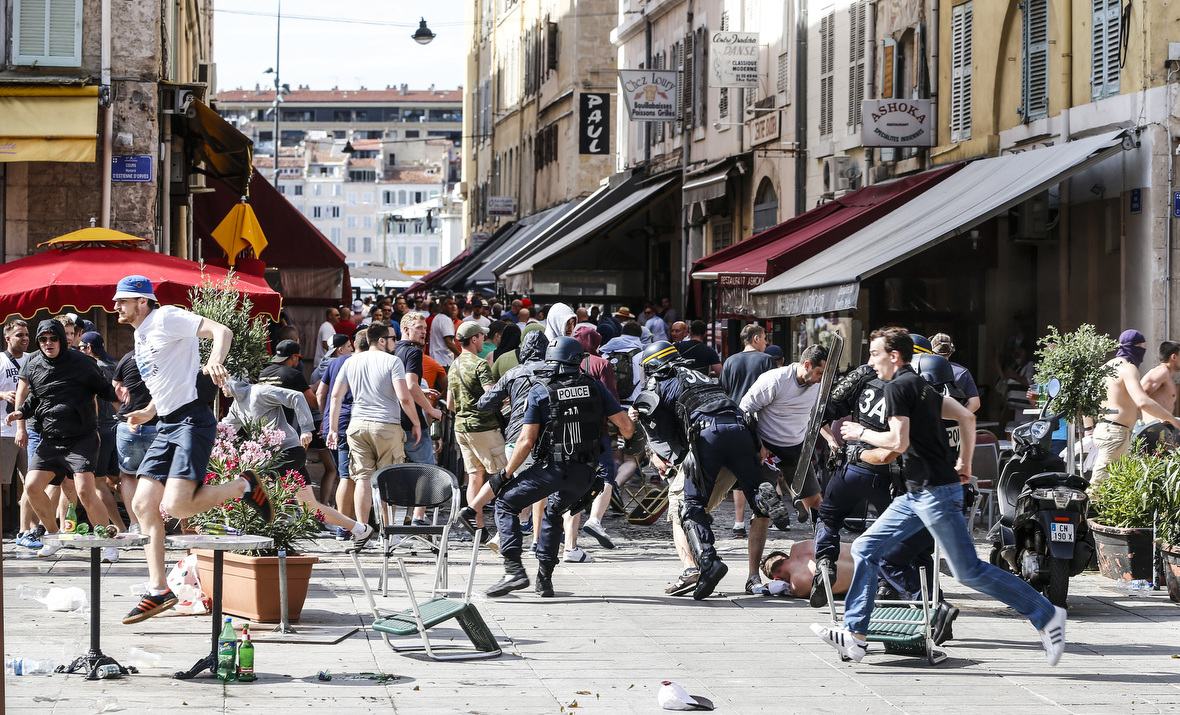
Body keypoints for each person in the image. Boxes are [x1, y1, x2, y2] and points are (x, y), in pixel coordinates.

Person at [812, 327, 1067, 666]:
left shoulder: (899, 388)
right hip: (917, 494)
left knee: (969, 571)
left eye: (874, 354)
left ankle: (1047, 614)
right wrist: (964, 460)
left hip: (934, 494)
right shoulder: (918, 385)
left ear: (894, 356)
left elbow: (898, 443)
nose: (870, 361)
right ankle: (856, 636)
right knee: (864, 547)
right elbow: (965, 415)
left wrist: (861, 433)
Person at [102, 276, 269, 623]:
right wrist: (147, 412)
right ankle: (158, 589)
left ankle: (244, 485)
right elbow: (166, 382)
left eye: (123, 300)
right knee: (141, 502)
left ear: (143, 301)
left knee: (176, 504)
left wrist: (215, 361)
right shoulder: (141, 333)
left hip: (192, 421)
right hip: (165, 423)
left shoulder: (167, 318)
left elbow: (222, 330)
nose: (116, 305)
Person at [633, 341, 788, 599]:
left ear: (652, 366)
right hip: (741, 429)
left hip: (708, 435)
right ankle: (762, 495)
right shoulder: (701, 375)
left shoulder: (658, 382)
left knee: (689, 505)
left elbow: (659, 431)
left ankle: (708, 560)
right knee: (751, 487)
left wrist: (672, 454)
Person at [485, 337, 633, 598]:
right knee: (554, 512)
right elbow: (627, 428)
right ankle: (545, 580)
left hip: (553, 469)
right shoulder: (595, 387)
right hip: (586, 474)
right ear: (578, 360)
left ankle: (513, 570)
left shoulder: (541, 390)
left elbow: (526, 440)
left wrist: (505, 474)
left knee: (505, 503)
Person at [5, 320, 121, 562]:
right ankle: (53, 535)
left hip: (81, 437)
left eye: (53, 338)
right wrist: (20, 414)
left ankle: (108, 544)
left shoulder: (82, 362)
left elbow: (104, 389)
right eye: (43, 339)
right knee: (32, 486)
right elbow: (35, 398)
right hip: (50, 437)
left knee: (85, 491)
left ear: (61, 339)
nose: (48, 343)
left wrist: (123, 400)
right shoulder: (33, 362)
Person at [222, 376, 372, 546]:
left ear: (232, 381)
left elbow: (296, 396)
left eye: (221, 381)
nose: (220, 386)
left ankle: (254, 538)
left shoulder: (259, 392)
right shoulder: (236, 406)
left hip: (287, 452)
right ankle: (360, 529)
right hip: (277, 455)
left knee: (251, 484)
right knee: (310, 506)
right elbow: (225, 429)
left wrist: (307, 428)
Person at [327, 323, 420, 533]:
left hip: (357, 425)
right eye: (393, 338)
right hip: (386, 425)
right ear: (381, 340)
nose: (396, 342)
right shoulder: (393, 361)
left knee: (362, 479)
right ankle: (386, 531)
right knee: (389, 478)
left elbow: (335, 396)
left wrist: (333, 428)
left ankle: (362, 529)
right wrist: (415, 422)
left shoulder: (351, 361)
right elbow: (404, 397)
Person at [738, 345, 829, 519]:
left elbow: (818, 416)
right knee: (763, 512)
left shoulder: (819, 384)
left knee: (817, 502)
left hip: (796, 447)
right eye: (819, 373)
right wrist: (759, 445)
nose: (821, 378)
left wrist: (831, 439)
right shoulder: (775, 380)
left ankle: (825, 543)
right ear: (807, 365)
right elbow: (744, 412)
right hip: (768, 447)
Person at [1091, 329, 1179, 486]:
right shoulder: (1128, 368)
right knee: (1098, 486)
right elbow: (1142, 400)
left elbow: (1090, 400)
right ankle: (1084, 511)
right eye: (1141, 348)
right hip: (1116, 433)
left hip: (1106, 429)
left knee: (1117, 486)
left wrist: (1088, 428)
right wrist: (1170, 418)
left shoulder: (1106, 367)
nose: (1142, 353)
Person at [448, 321, 507, 537]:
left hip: (461, 427)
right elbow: (490, 396)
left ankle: (478, 528)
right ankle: (505, 529)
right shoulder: (480, 365)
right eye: (482, 336)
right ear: (474, 339)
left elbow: (450, 405)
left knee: (474, 476)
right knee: (504, 474)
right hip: (484, 428)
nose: (483, 339)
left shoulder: (453, 365)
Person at [720, 324, 777, 537]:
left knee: (738, 470)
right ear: (755, 339)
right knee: (760, 467)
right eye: (764, 338)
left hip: (734, 420)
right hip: (759, 420)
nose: (766, 342)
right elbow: (774, 390)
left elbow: (724, 391)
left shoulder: (730, 361)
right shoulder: (766, 361)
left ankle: (738, 522)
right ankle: (758, 516)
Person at [393, 312, 444, 524]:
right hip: (412, 422)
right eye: (419, 328)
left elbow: (402, 387)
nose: (424, 332)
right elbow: (411, 385)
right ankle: (418, 517)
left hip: (393, 420)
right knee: (426, 470)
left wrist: (422, 394)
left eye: (425, 328)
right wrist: (431, 411)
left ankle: (397, 518)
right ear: (406, 329)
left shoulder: (392, 350)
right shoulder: (413, 353)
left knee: (396, 472)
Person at [1, 319, 32, 541]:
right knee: (3, 483)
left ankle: (27, 528)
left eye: (26, 335)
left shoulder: (33, 360)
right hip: (4, 429)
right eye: (19, 335)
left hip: (30, 430)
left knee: (32, 482)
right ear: (7, 338)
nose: (24, 339)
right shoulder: (1, 361)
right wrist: (2, 394)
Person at [760, 540, 854, 599]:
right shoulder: (799, 546)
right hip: (864, 551)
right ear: (784, 556)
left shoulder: (797, 586)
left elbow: (784, 587)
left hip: (866, 580)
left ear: (777, 578)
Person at [931, 333, 981, 413]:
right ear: (950, 353)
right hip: (954, 423)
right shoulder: (962, 372)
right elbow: (975, 403)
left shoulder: (922, 370)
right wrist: (959, 417)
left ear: (932, 352)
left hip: (929, 423)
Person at [1141, 340, 1180, 416]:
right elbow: (1139, 396)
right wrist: (1153, 419)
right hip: (1153, 426)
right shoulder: (1161, 372)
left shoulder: (1167, 375)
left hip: (1161, 426)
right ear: (1174, 357)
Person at [429, 296, 459, 368]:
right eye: (450, 304)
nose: (453, 306)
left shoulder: (437, 317)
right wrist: (460, 355)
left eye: (454, 304)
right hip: (444, 361)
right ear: (444, 306)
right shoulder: (446, 320)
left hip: (436, 359)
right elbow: (449, 342)